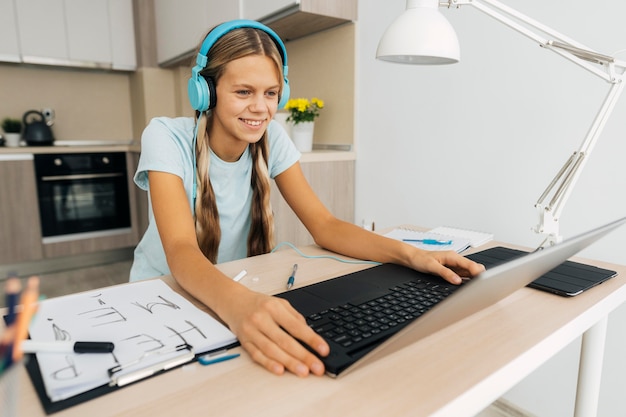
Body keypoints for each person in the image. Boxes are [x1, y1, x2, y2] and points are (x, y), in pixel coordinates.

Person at [130, 19, 484, 378]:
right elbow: (180, 250)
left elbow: (325, 225)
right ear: (206, 90)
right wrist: (238, 306)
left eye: (270, 93)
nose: (260, 108)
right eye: (243, 92)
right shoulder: (165, 137)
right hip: (161, 296)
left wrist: (414, 255)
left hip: (231, 288)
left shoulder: (274, 139)